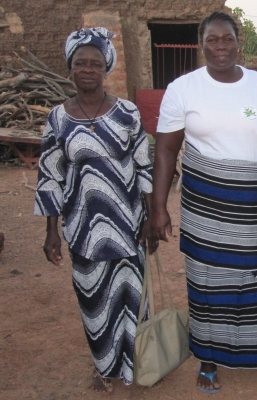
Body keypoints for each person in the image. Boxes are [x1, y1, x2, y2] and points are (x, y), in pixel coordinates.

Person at [150, 11, 257, 394]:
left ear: (238, 42)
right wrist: (159, 206)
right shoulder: (183, 89)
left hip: (254, 202)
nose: (220, 47)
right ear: (201, 44)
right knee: (206, 281)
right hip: (206, 204)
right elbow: (166, 150)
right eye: (212, 40)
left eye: (227, 39)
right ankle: (209, 359)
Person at [34, 27, 155, 393]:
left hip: (128, 223)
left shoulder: (127, 112)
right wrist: (51, 232)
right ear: (70, 67)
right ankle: (106, 367)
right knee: (95, 301)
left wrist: (150, 218)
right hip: (83, 229)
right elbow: (50, 176)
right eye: (81, 63)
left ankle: (139, 365)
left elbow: (144, 167)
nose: (88, 69)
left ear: (106, 68)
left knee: (133, 297)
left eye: (95, 64)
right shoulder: (58, 119)